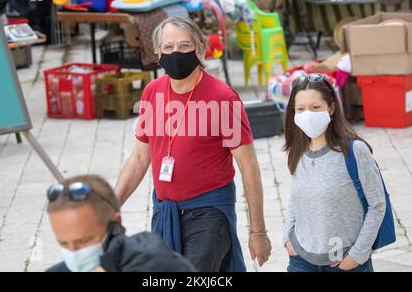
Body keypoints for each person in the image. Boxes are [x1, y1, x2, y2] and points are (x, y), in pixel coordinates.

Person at [114, 16, 271, 272]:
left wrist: (258, 232)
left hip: (208, 212)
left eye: (184, 46)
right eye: (168, 47)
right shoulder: (152, 92)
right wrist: (110, 206)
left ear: (200, 48)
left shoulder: (222, 98)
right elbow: (140, 158)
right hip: (165, 211)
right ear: (157, 52)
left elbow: (249, 166)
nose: (176, 53)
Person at [283, 74, 386, 272]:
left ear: (331, 108)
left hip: (343, 261)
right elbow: (295, 200)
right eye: (300, 109)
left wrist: (357, 256)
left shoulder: (354, 151)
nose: (307, 115)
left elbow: (377, 204)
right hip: (301, 259)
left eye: (315, 107)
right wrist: (288, 237)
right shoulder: (298, 150)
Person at [46, 174, 196, 272]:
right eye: (64, 243)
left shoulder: (157, 264)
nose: (74, 252)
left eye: (84, 241)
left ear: (116, 222)